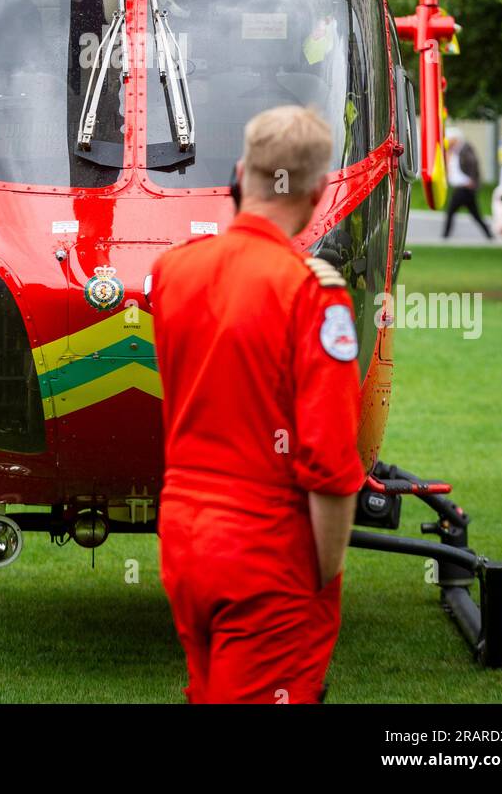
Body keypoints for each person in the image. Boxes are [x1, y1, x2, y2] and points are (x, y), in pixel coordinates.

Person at [151, 105, 366, 705]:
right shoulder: (312, 294)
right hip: (265, 547)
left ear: (241, 173)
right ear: (321, 191)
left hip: (184, 536)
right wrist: (320, 581)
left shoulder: (173, 272)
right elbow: (330, 466)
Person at [442, 127, 493, 240]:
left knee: (451, 211)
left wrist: (473, 180)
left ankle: (445, 236)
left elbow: (473, 163)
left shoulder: (465, 149)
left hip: (464, 187)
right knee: (475, 215)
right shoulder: (454, 151)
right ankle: (489, 235)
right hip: (462, 187)